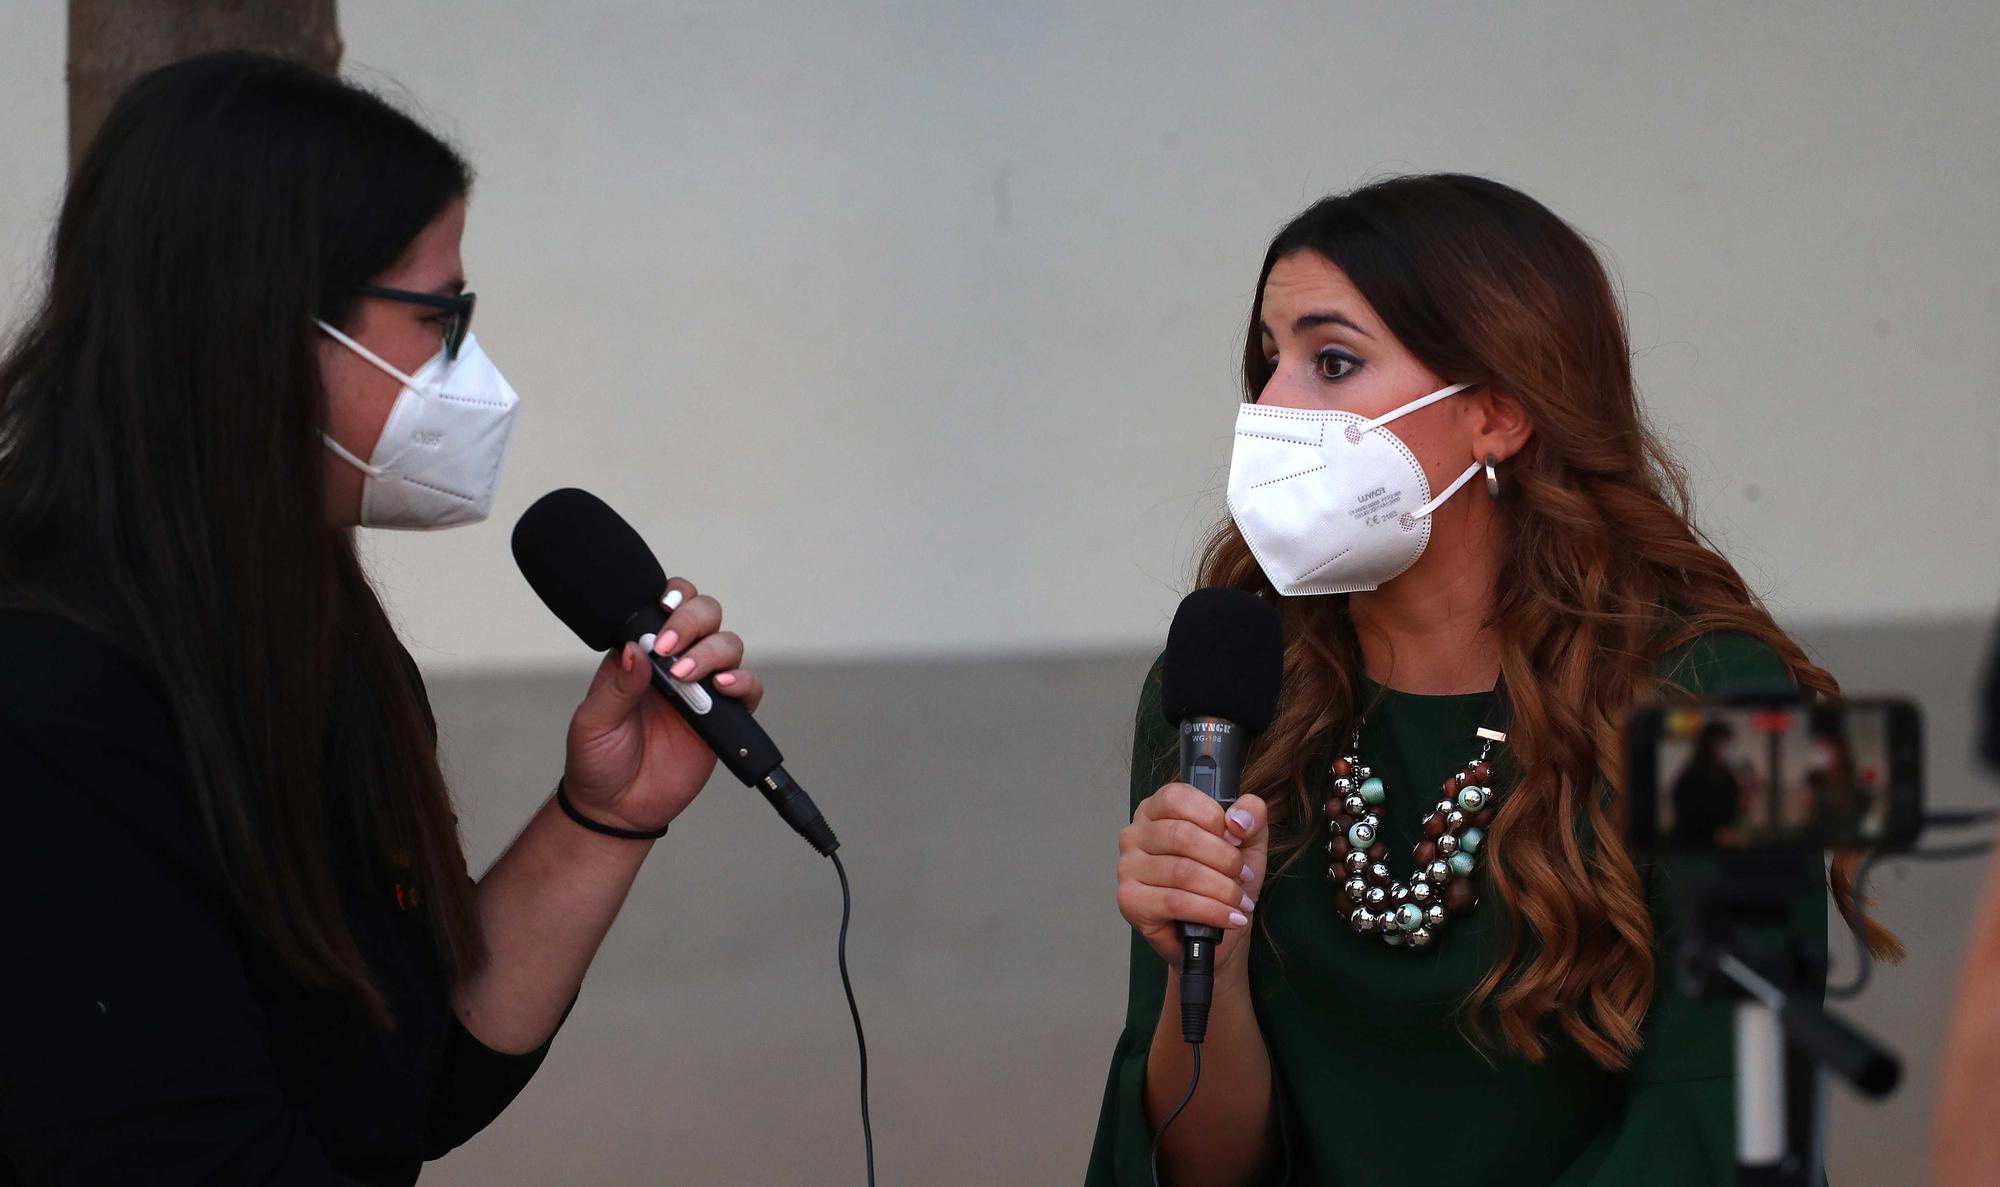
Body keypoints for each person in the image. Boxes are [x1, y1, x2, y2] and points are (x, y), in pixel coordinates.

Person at [0, 54, 760, 1185]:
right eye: (438, 316)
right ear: (265, 323)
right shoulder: (45, 697)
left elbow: (401, 1086)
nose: (474, 372)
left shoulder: (312, 637)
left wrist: (606, 814)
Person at [1085, 174, 1894, 1186]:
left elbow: (1739, 1117)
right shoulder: (1222, 682)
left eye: (1330, 361)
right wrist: (1211, 969)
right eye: (1267, 360)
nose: (1272, 406)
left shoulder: (1740, 696)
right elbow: (1197, 1161)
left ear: (1498, 413)